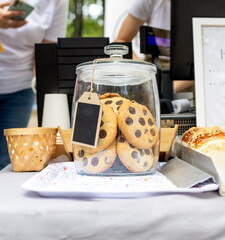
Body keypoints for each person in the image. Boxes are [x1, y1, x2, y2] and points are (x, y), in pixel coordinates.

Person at [0, 0, 69, 170]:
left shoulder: (57, 2)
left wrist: (41, 90)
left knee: (7, 161)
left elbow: (44, 53)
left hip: (19, 90)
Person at [115, 0, 194, 92]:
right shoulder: (148, 2)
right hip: (152, 70)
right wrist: (144, 69)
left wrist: (169, 89)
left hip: (187, 74)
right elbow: (121, 41)